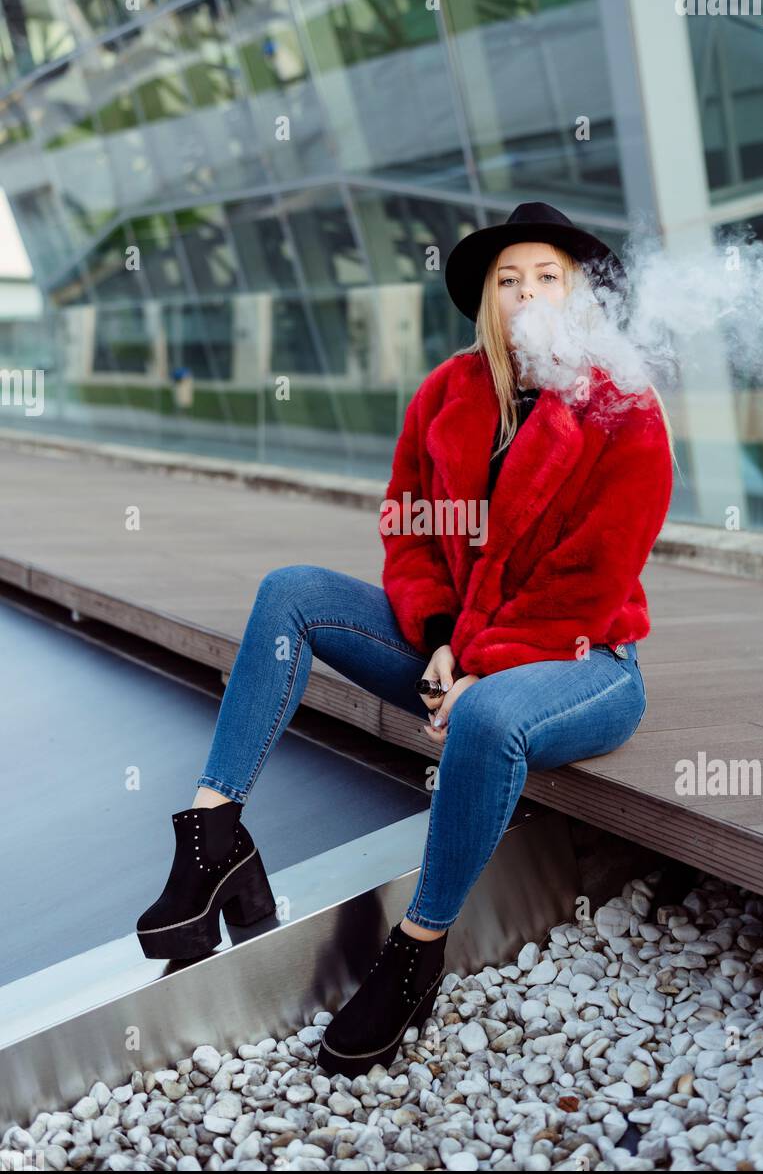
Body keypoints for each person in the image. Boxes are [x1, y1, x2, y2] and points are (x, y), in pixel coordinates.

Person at [135, 201, 676, 1081]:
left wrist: (480, 665)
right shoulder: (447, 393)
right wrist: (434, 639)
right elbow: (410, 529)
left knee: (490, 716)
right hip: (454, 643)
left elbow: (592, 581)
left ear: (578, 295)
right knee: (290, 593)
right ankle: (212, 833)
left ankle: (417, 947)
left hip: (585, 661)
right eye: (508, 281)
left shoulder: (621, 406)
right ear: (486, 303)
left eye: (547, 278)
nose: (526, 293)